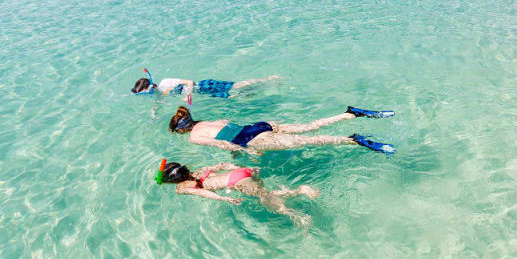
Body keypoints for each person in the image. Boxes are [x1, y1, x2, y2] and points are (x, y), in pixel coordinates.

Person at [168, 105, 396, 155]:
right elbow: (228, 124)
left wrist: (246, 152)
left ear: (181, 131)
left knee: (312, 140)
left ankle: (353, 140)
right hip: (260, 125)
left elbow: (223, 143)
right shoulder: (210, 120)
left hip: (253, 139)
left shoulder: (195, 137)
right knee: (310, 126)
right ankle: (349, 114)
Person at [158, 161, 318, 228]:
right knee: (266, 194)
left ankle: (297, 215)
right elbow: (221, 165)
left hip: (237, 181)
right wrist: (243, 167)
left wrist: (223, 198)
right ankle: (299, 191)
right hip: (240, 172)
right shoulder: (197, 172)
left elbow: (204, 193)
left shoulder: (181, 188)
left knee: (269, 203)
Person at [131, 69, 279, 98]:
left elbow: (189, 82)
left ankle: (268, 80)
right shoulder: (157, 94)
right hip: (205, 94)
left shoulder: (165, 82)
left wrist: (188, 94)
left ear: (149, 86)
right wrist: (153, 114)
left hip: (203, 86)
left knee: (237, 86)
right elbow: (158, 103)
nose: (146, 95)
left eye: (144, 92)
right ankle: (266, 88)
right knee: (238, 96)